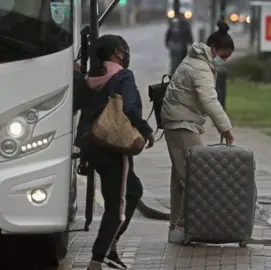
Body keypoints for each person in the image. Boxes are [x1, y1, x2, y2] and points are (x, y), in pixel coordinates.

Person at [75, 34, 155, 270]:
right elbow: (129, 107)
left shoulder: (88, 76)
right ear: (114, 53)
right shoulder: (123, 75)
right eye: (122, 50)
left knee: (134, 189)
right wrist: (146, 130)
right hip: (112, 146)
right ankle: (98, 259)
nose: (125, 53)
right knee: (116, 205)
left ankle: (110, 247)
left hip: (89, 142)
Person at [161, 21, 235, 244]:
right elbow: (209, 100)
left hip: (177, 122)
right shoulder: (201, 67)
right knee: (196, 176)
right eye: (222, 56)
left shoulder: (194, 60)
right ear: (213, 49)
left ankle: (176, 228)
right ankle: (183, 227)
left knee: (181, 178)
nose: (222, 62)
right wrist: (226, 128)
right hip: (181, 124)